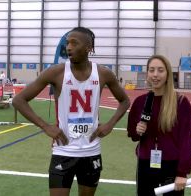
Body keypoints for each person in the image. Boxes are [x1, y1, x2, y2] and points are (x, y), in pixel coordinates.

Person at [12, 27, 130, 196]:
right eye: (67, 43)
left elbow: (125, 101)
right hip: (63, 150)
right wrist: (45, 126)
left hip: (91, 151)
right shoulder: (56, 72)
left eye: (74, 43)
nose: (68, 47)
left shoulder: (103, 74)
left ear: (89, 48)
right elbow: (19, 100)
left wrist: (110, 124)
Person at [127, 55, 191, 196]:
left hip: (171, 166)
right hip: (145, 163)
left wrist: (182, 173)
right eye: (151, 70)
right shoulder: (140, 102)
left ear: (168, 74)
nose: (155, 75)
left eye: (160, 70)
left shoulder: (181, 102)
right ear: (147, 73)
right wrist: (137, 130)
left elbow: (187, 140)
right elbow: (132, 135)